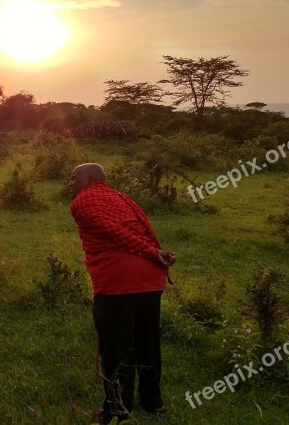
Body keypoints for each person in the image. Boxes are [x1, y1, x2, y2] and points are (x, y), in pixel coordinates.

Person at [67, 163, 175, 424]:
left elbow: (114, 232)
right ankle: (153, 402)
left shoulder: (83, 200)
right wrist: (155, 253)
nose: (70, 184)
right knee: (147, 342)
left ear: (90, 178)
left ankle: (117, 410)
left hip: (119, 281)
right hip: (149, 279)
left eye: (74, 178)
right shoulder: (120, 196)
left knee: (116, 347)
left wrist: (151, 252)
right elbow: (144, 228)